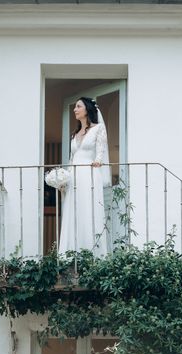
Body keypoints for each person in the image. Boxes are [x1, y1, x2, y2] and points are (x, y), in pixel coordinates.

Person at [58, 97, 111, 256]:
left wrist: (98, 161)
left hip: (89, 175)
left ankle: (93, 254)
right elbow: (71, 159)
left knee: (89, 211)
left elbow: (101, 151)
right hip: (74, 177)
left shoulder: (98, 128)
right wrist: (63, 179)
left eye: (78, 106)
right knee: (73, 212)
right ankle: (71, 255)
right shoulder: (74, 134)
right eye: (75, 107)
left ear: (87, 109)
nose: (75, 109)